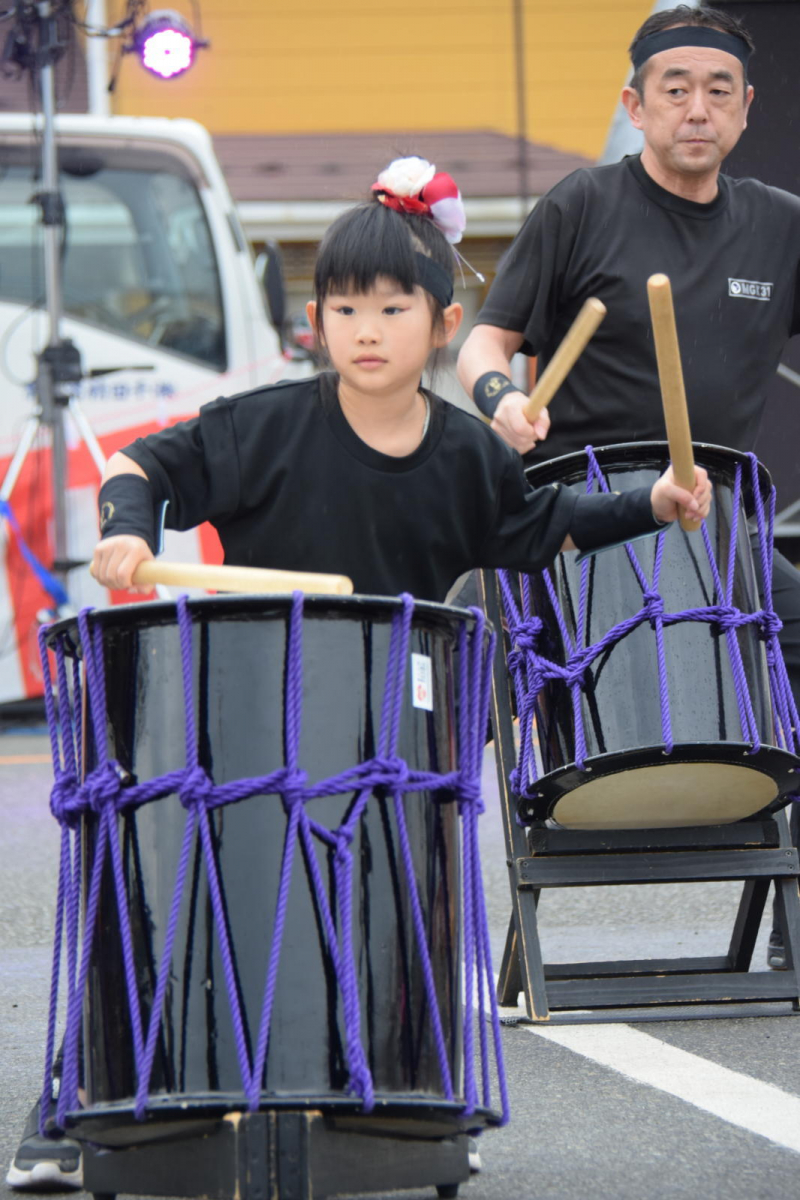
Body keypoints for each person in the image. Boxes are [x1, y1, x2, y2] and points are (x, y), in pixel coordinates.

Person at [7, 154, 711, 1191]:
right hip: (242, 710)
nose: (366, 329)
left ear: (441, 321)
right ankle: (75, 1109)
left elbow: (536, 528)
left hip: (390, 714)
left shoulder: (468, 456)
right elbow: (144, 466)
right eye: (343, 307)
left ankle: (403, 1103)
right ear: (317, 323)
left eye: (391, 306)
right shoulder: (267, 426)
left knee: (389, 896)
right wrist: (121, 532)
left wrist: (649, 502)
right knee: (163, 891)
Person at [456, 3, 800, 970]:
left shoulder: (779, 226)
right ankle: (410, 915)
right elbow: (485, 342)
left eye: (718, 90)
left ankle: (792, 923)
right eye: (675, 90)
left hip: (720, 519)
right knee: (449, 664)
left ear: (744, 110)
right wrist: (502, 400)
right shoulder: (582, 205)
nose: (698, 108)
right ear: (635, 105)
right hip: (582, 517)